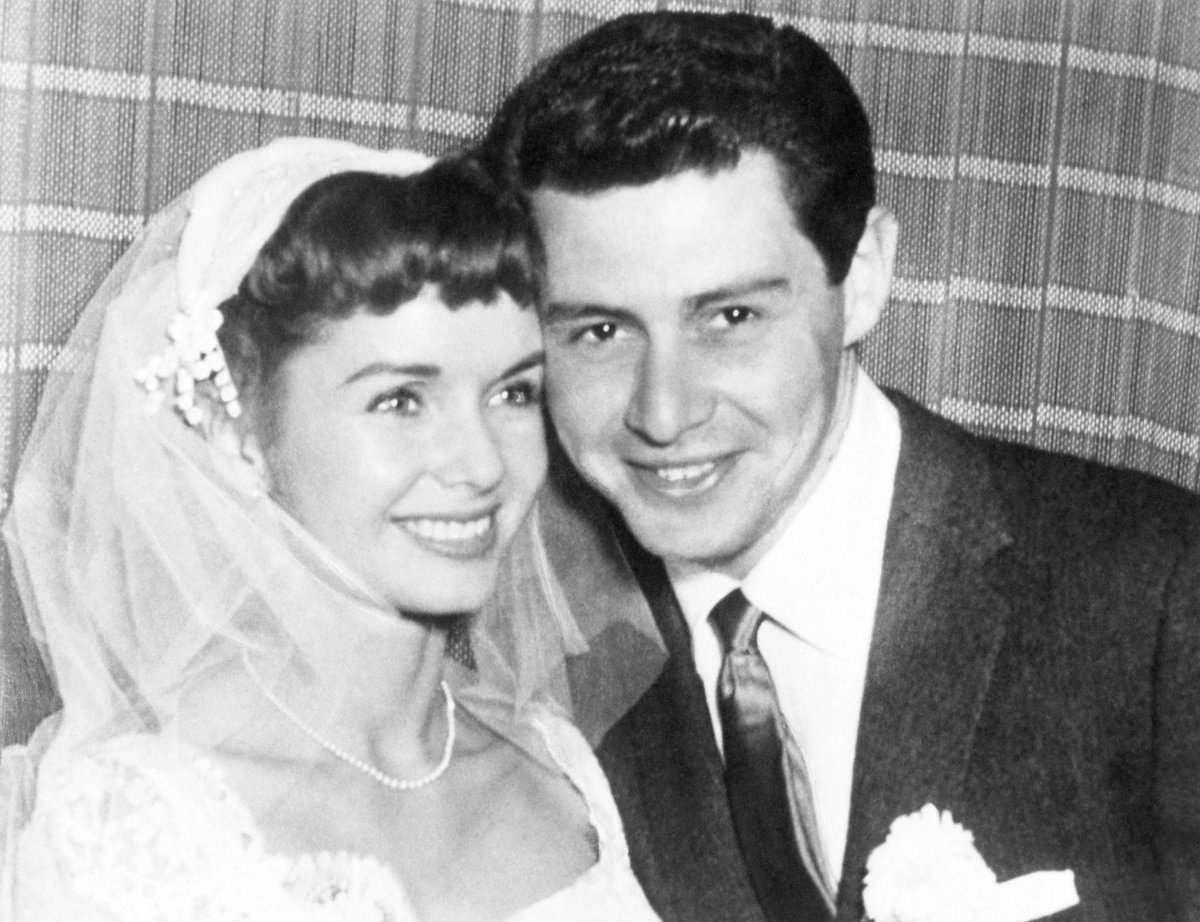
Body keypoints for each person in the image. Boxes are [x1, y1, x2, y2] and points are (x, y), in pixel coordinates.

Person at [481, 10, 1200, 922]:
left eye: (730, 318)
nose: (663, 412)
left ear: (861, 275)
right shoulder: (519, 657)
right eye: (599, 331)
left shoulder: (1161, 598)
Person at [0, 137, 663, 921]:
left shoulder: (560, 769)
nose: (482, 463)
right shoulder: (131, 822)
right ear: (236, 431)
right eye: (401, 401)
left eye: (513, 393)